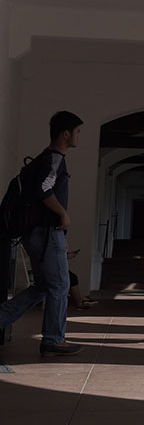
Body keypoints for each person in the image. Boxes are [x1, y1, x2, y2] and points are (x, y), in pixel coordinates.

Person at [0, 110, 84, 357]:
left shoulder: (44, 159)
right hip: (46, 233)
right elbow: (43, 188)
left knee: (45, 285)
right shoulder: (55, 158)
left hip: (37, 234)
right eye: (77, 131)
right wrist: (63, 214)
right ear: (66, 133)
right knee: (60, 284)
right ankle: (53, 339)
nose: (79, 136)